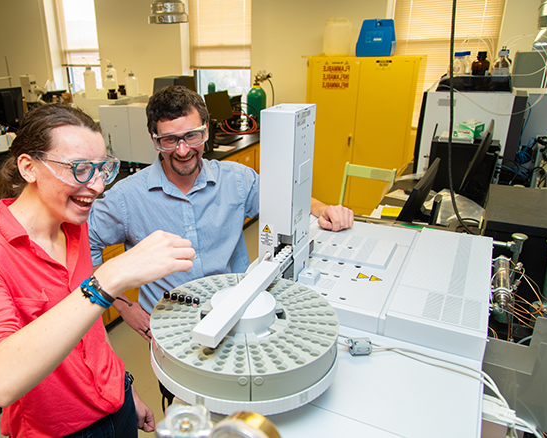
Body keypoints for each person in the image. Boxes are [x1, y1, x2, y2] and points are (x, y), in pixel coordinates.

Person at [0, 104, 195, 438]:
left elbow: (88, 333)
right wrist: (108, 279)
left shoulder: (73, 224)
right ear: (28, 167)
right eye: (80, 169)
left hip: (117, 404)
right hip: (60, 431)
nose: (96, 186)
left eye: (102, 169)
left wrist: (124, 388)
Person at [88, 85, 353, 342]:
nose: (182, 150)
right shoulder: (126, 197)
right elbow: (83, 244)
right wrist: (123, 306)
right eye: (169, 140)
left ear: (206, 131)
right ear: (155, 141)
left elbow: (284, 201)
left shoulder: (236, 180)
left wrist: (322, 210)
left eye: (192, 135)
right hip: (168, 330)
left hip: (237, 318)